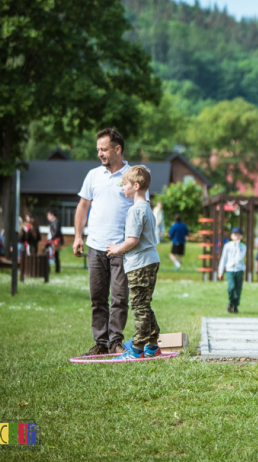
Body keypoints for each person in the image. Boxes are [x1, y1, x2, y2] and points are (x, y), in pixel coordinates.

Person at [74, 128, 148, 356]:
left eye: (104, 149)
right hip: (95, 246)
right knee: (97, 298)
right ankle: (100, 343)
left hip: (121, 248)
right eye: (98, 149)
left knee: (119, 298)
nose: (100, 153)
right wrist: (78, 235)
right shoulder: (93, 175)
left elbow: (142, 208)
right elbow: (83, 206)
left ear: (118, 149)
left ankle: (115, 341)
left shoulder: (133, 176)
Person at [106, 165, 162, 360]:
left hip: (140, 264)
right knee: (144, 304)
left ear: (136, 186)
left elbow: (132, 240)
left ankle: (137, 349)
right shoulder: (146, 208)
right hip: (149, 261)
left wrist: (116, 249)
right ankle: (153, 345)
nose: (122, 187)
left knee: (139, 307)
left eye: (124, 183)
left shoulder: (135, 210)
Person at [218, 227, 247, 314]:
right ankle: (231, 302)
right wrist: (220, 271)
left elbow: (239, 258)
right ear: (231, 236)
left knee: (238, 289)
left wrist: (238, 245)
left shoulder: (243, 246)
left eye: (239, 236)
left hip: (239, 270)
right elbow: (223, 258)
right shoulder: (227, 246)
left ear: (241, 237)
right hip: (230, 270)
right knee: (231, 287)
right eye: (235, 235)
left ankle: (235, 306)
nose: (237, 237)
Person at [46, 209, 64, 273]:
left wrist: (51, 239)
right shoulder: (52, 222)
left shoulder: (56, 222)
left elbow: (56, 232)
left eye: (48, 215)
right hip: (52, 241)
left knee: (55, 255)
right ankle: (54, 269)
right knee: (53, 255)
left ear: (52, 215)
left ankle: (57, 269)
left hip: (54, 241)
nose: (47, 217)